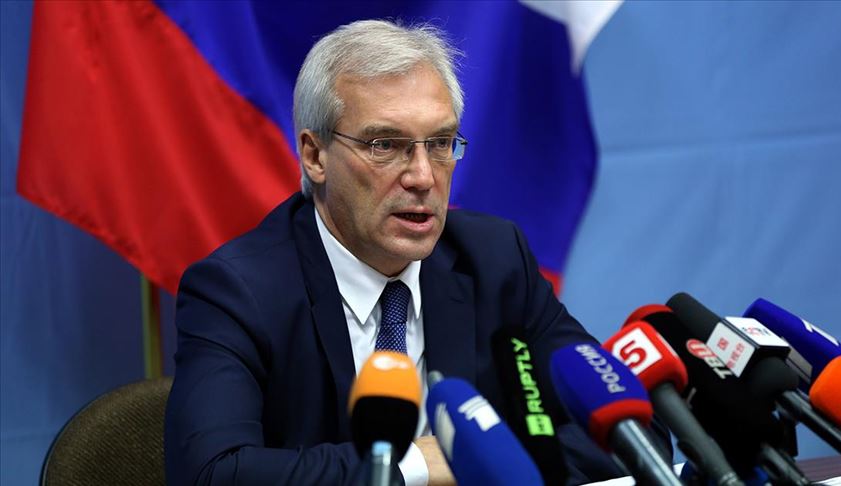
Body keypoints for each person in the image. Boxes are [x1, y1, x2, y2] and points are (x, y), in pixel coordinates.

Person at [165, 19, 668, 485]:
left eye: (441, 142)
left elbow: (629, 438)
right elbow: (211, 474)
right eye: (385, 145)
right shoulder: (240, 291)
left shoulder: (494, 260)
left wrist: (488, 456)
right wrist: (418, 463)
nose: (423, 177)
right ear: (315, 155)